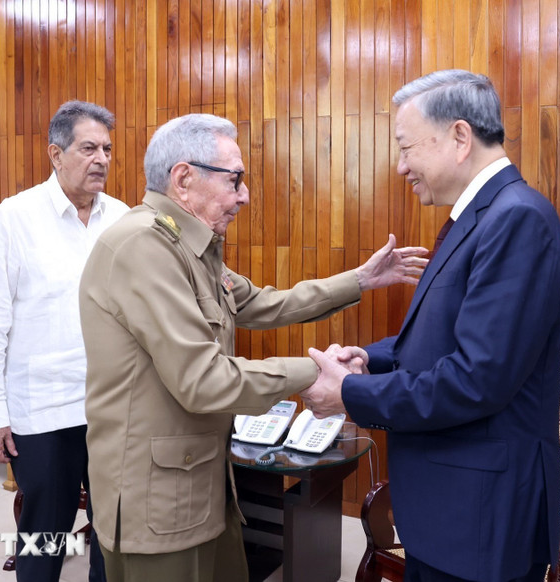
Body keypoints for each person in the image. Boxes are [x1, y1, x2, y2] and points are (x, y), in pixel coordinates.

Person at [78, 112, 428, 582]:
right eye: (235, 179)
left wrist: (360, 280)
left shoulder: (188, 243)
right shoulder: (145, 247)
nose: (244, 195)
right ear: (184, 178)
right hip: (156, 499)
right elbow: (203, 381)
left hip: (200, 485)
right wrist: (318, 372)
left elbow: (263, 303)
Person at [301, 69, 560, 582]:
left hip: (480, 515)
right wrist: (370, 357)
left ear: (460, 136)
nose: (401, 166)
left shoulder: (517, 219)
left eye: (406, 147)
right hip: (449, 506)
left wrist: (353, 394)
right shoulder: (481, 216)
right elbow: (447, 338)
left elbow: (477, 380)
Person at [0, 100, 130, 582]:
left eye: (106, 149)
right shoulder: (14, 219)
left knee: (114, 534)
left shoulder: (121, 218)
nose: (101, 158)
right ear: (55, 155)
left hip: (109, 408)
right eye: (88, 148)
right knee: (44, 538)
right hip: (41, 411)